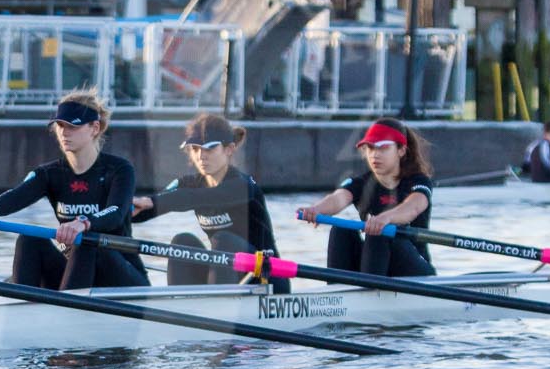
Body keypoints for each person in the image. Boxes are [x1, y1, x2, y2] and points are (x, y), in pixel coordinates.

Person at [0, 90, 148, 290]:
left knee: (87, 240)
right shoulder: (50, 174)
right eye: (60, 125)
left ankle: (67, 309)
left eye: (73, 126)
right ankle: (20, 307)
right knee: (30, 239)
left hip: (120, 276)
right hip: (76, 271)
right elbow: (18, 194)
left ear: (94, 128)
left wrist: (83, 223)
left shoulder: (120, 170)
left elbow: (116, 212)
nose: (64, 132)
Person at [131, 113, 287, 291]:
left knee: (223, 240)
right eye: (196, 149)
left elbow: (196, 197)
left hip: (267, 278)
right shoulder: (188, 184)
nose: (201, 156)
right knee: (182, 241)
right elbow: (148, 208)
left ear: (229, 149)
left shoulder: (242, 185)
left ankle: (216, 305)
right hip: (229, 275)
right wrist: (117, 212)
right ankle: (182, 304)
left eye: (210, 148)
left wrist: (153, 201)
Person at [295, 117, 436, 277]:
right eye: (370, 148)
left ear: (401, 150)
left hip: (415, 270)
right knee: (341, 230)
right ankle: (340, 292)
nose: (375, 155)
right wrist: (316, 209)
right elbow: (338, 198)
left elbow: (414, 206)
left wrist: (385, 218)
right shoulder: (361, 183)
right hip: (377, 266)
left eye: (383, 148)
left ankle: (368, 290)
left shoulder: (418, 181)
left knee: (381, 231)